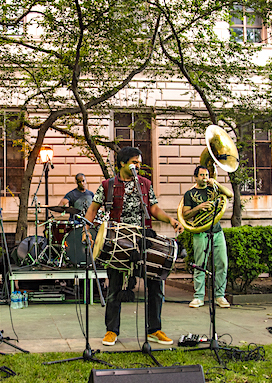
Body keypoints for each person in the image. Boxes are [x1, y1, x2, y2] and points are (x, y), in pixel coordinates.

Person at [84, 147, 183, 346]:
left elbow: (153, 208)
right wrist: (86, 230)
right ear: (122, 163)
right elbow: (92, 209)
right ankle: (111, 330)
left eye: (139, 162)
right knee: (114, 288)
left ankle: (154, 330)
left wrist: (171, 220)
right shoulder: (107, 185)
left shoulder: (145, 184)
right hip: (117, 241)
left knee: (155, 286)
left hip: (143, 239)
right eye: (134, 162)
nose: (138, 165)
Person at [182, 165, 233, 309]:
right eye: (202, 175)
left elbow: (229, 195)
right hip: (200, 231)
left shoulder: (214, 190)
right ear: (196, 177)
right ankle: (198, 297)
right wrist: (199, 207)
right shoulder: (190, 194)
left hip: (216, 230)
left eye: (206, 175)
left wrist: (216, 183)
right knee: (200, 264)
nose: (205, 178)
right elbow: (185, 214)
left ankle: (220, 295)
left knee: (222, 263)